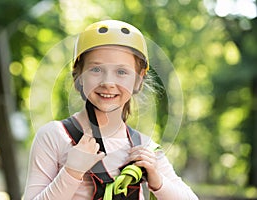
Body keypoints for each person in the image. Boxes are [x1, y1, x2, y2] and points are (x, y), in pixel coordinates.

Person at [24, 20, 199, 200]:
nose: (108, 82)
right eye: (96, 69)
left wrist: (157, 180)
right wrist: (71, 172)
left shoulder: (143, 147)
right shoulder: (54, 136)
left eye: (121, 72)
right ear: (79, 76)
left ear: (138, 80)